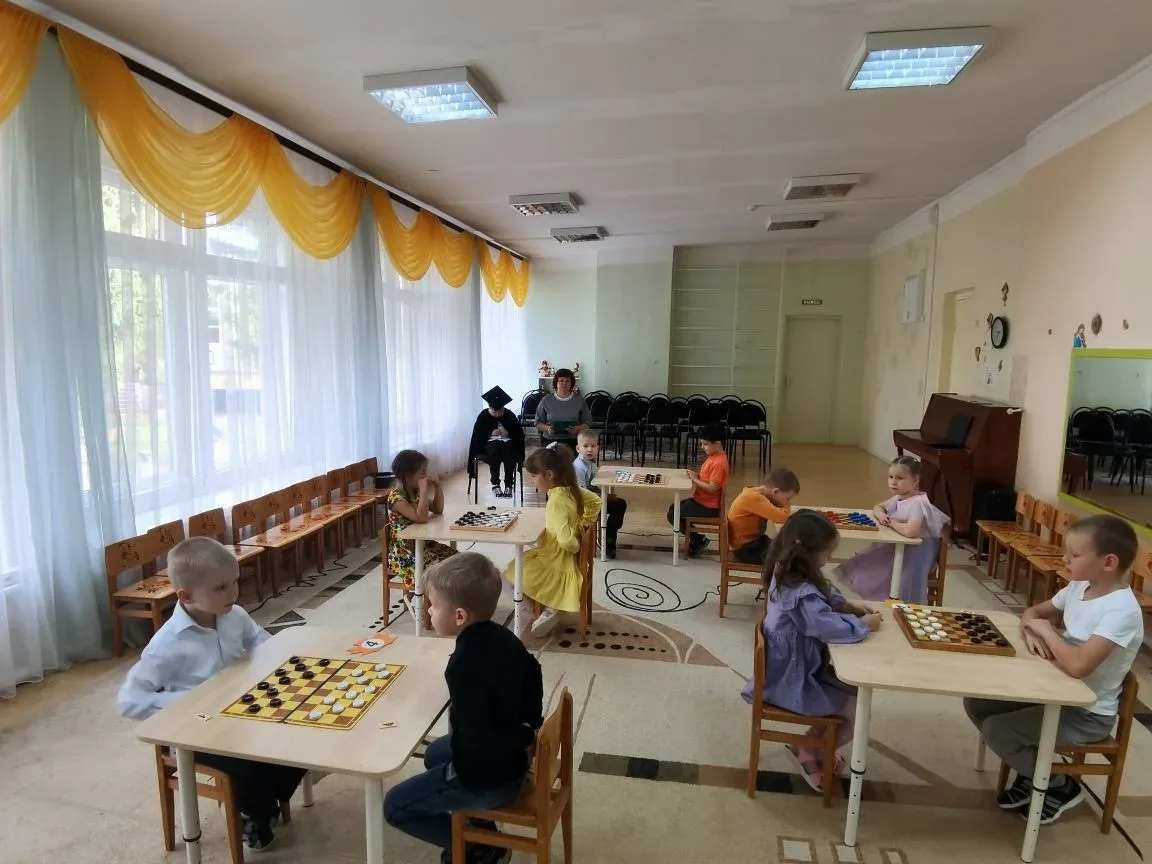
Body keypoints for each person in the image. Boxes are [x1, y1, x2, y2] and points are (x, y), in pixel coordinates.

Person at [117, 537, 306, 852]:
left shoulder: (234, 614)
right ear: (185, 595)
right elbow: (129, 700)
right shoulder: (166, 645)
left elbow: (260, 642)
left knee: (297, 736)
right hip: (197, 732)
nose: (233, 593)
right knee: (249, 764)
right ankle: (253, 814)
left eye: (235, 582)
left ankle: (265, 801)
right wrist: (192, 701)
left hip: (240, 713)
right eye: (220, 588)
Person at [964, 515, 1143, 825]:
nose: (1065, 559)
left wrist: (1047, 632)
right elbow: (1033, 612)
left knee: (998, 730)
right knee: (977, 702)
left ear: (1109, 562)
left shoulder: (1121, 611)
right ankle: (1033, 773)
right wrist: (1033, 632)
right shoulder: (1078, 587)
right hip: (1054, 690)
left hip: (1086, 713)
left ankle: (1059, 785)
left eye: (1075, 554)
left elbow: (1078, 666)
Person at [384, 553, 543, 864]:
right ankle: (479, 828)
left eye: (433, 605)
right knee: (434, 753)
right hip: (515, 755)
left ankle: (476, 847)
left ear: (459, 616)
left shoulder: (464, 667)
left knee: (394, 806)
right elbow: (533, 677)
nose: (428, 611)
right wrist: (527, 732)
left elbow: (476, 742)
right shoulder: (503, 637)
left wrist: (455, 773)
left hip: (490, 779)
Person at [740, 510, 882, 790]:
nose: (829, 559)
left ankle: (811, 744)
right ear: (808, 553)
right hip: (790, 679)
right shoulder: (800, 592)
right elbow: (825, 627)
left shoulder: (788, 571)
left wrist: (847, 606)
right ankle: (810, 749)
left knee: (854, 695)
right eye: (827, 554)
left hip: (793, 667)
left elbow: (823, 591)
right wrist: (863, 625)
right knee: (856, 711)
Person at [512, 444, 602, 637]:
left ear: (549, 475)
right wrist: (584, 525)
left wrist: (576, 544)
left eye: (534, 476)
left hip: (555, 559)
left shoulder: (556, 502)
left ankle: (541, 611)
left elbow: (566, 542)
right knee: (522, 564)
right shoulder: (571, 490)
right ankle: (549, 609)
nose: (531, 481)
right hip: (563, 556)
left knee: (512, 573)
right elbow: (596, 501)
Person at [840, 455, 949, 603]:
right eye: (890, 477)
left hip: (915, 556)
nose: (893, 482)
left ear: (915, 480)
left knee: (873, 565)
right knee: (863, 560)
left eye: (900, 478)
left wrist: (891, 522)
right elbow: (878, 506)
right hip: (901, 547)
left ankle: (891, 600)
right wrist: (881, 515)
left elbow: (911, 531)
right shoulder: (899, 498)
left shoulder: (918, 504)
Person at [386, 449, 457, 620]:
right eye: (422, 472)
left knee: (457, 561)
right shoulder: (397, 498)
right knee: (441, 569)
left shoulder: (415, 492)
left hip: (424, 546)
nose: (426, 476)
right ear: (408, 476)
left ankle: (448, 603)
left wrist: (438, 487)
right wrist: (424, 491)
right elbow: (421, 517)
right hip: (405, 554)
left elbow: (438, 509)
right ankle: (422, 599)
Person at [666, 423, 730, 557]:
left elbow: (712, 488)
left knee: (673, 513)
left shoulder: (719, 463)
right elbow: (706, 478)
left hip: (708, 507)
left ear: (718, 444)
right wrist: (694, 475)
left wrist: (694, 480)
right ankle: (697, 539)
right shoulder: (714, 457)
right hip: (702, 501)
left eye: (705, 444)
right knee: (673, 508)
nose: (702, 447)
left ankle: (697, 539)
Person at [727, 467, 800, 565]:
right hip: (745, 549)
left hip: (754, 542)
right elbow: (783, 517)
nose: (788, 503)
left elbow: (778, 515)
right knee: (789, 557)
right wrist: (785, 506)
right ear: (775, 492)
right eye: (788, 499)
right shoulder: (754, 498)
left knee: (788, 548)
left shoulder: (756, 494)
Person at [573, 430, 628, 559]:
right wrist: (605, 497)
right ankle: (608, 539)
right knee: (619, 505)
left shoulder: (590, 464)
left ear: (598, 448)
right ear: (578, 448)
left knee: (620, 503)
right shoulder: (578, 467)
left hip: (593, 501)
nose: (590, 449)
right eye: (585, 446)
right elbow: (582, 495)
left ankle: (609, 537)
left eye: (593, 446)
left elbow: (594, 484)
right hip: (584, 506)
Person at [468, 385, 526, 499]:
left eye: (500, 412)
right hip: (489, 444)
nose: (498, 415)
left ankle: (509, 484)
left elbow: (518, 433)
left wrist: (508, 433)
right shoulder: (483, 415)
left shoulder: (509, 415)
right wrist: (490, 432)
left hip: (507, 442)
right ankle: (495, 484)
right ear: (489, 409)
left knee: (510, 454)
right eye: (494, 413)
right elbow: (477, 435)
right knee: (494, 452)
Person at [534, 368, 590, 450]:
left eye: (567, 381)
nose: (564, 384)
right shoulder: (546, 400)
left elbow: (587, 422)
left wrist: (578, 429)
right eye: (561, 380)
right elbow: (538, 422)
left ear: (572, 383)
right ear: (556, 383)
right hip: (550, 440)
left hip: (573, 441)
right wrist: (548, 429)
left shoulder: (579, 400)